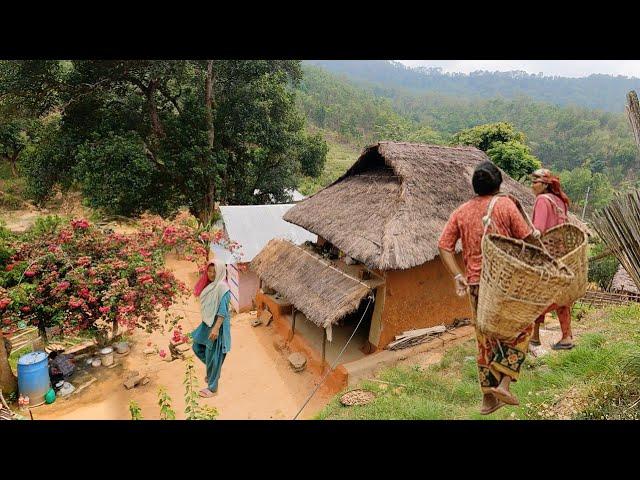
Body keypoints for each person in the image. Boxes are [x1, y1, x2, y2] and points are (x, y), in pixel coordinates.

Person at [438, 161, 539, 415]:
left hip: (475, 286)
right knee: (523, 327)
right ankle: (504, 383)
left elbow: (444, 245)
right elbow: (527, 239)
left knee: (485, 339)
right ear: (498, 184)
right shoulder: (505, 206)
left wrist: (457, 275)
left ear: (475, 186)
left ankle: (487, 398)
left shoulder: (462, 211)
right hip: (505, 284)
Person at [529, 168, 574, 351]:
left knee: (537, 296)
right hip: (562, 255)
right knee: (562, 295)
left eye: (535, 182)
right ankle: (566, 336)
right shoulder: (560, 202)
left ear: (545, 184)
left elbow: (538, 230)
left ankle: (534, 336)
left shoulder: (542, 200)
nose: (532, 185)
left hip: (546, 256)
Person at [191, 258, 231, 398]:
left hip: (217, 326)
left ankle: (213, 388)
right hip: (207, 323)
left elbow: (223, 310)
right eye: (209, 271)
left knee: (213, 354)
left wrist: (216, 328)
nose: (211, 274)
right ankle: (214, 371)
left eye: (215, 271)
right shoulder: (211, 286)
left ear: (220, 271)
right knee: (197, 347)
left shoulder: (222, 288)